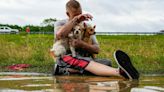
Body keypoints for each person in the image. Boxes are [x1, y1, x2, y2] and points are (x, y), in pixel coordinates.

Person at [52, 0, 139, 79]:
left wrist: (82, 44)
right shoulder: (60, 23)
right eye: (75, 15)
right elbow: (60, 35)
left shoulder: (87, 26)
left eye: (80, 14)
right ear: (68, 14)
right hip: (67, 58)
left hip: (85, 59)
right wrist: (75, 20)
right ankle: (120, 72)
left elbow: (96, 49)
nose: (79, 17)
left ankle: (73, 71)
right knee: (87, 62)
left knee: (107, 62)